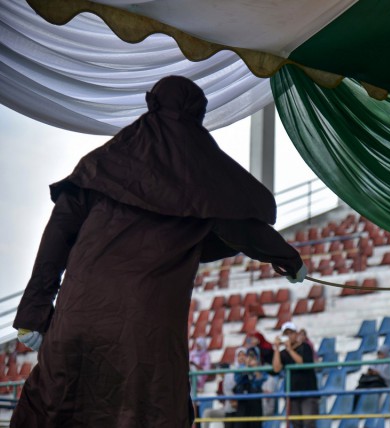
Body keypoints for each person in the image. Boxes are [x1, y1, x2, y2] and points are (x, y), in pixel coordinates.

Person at [10, 75, 307, 428]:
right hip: (146, 331)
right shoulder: (202, 175)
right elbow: (245, 230)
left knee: (59, 407)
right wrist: (290, 261)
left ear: (152, 102)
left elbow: (56, 237)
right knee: (146, 411)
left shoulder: (105, 161)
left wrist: (32, 312)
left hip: (80, 315)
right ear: (198, 113)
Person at [272, 322, 319, 428]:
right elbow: (276, 368)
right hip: (292, 394)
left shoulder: (305, 347)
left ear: (296, 334)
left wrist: (289, 349)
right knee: (296, 424)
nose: (289, 336)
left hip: (308, 392)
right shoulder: (283, 353)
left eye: (291, 333)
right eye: (286, 334)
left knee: (308, 423)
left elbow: (303, 363)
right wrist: (276, 349)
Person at [233, 346, 266, 428]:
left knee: (255, 425)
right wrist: (247, 367)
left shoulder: (261, 368)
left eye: (253, 355)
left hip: (255, 401)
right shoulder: (241, 367)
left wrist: (255, 368)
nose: (251, 358)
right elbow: (237, 379)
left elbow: (260, 381)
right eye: (249, 355)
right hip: (243, 401)